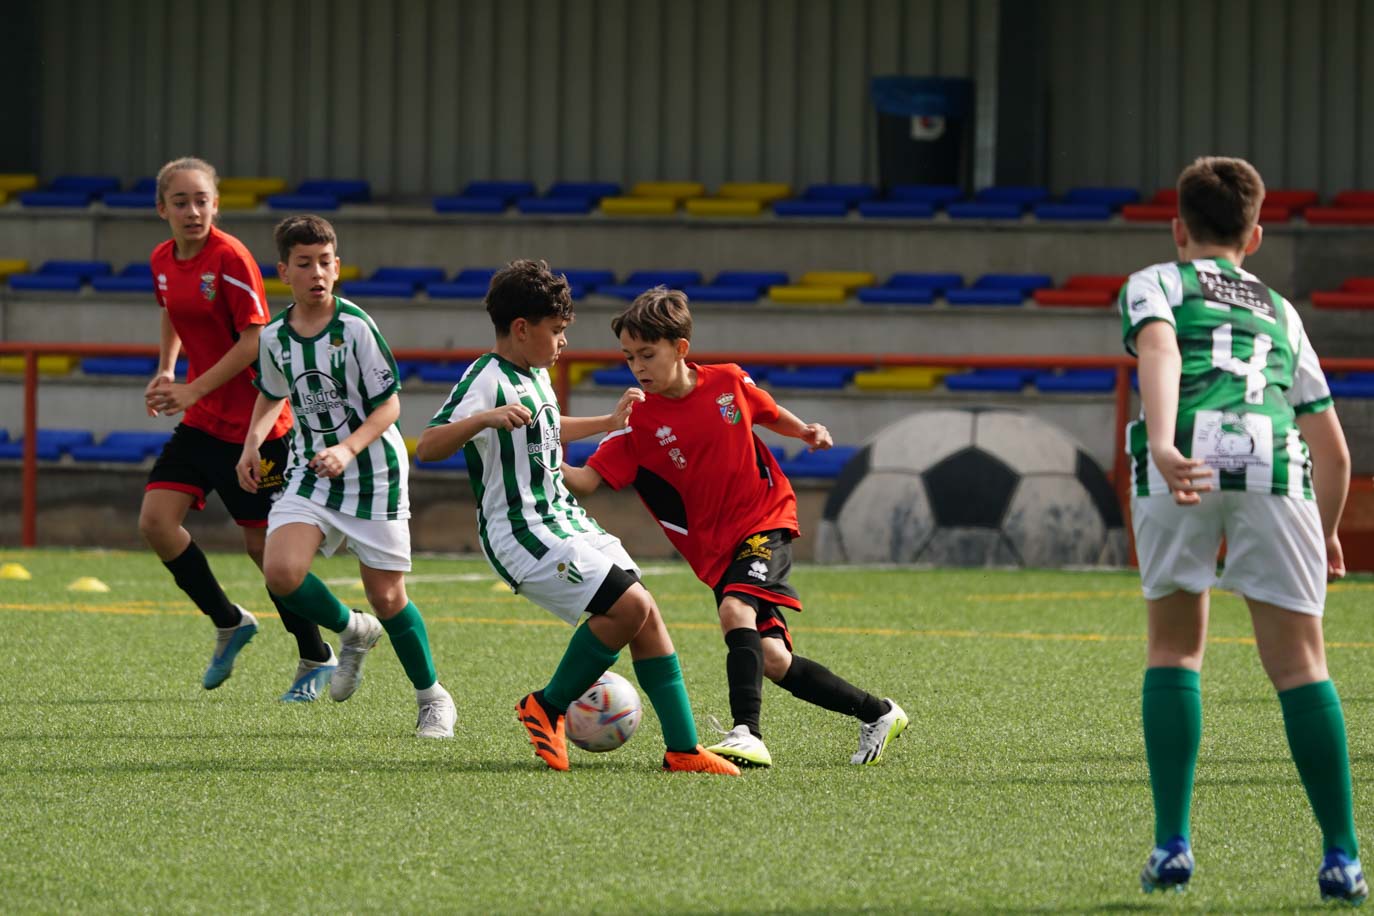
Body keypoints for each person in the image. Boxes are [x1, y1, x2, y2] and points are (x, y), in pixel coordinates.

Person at [1120, 156, 1364, 902]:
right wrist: (1322, 533)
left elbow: (1159, 348)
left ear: (1177, 229)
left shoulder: (1158, 281)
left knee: (1174, 649)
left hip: (1179, 464)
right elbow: (1335, 450)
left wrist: (1163, 442)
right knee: (1299, 667)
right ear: (1254, 236)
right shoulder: (1281, 311)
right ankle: (1342, 857)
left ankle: (1171, 847)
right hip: (1274, 468)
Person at [559, 287, 908, 769]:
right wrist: (542, 461)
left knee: (734, 608)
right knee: (772, 659)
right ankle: (879, 713)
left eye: (647, 354)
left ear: (680, 349)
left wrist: (805, 430)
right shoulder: (636, 423)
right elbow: (589, 481)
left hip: (765, 518)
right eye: (628, 356)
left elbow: (767, 411)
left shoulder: (727, 382)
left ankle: (748, 732)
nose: (637, 366)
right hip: (717, 551)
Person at [416, 259, 738, 775]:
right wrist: (484, 418)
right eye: (558, 331)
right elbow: (429, 445)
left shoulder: (534, 373)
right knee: (628, 605)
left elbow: (548, 425)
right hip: (523, 531)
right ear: (522, 329)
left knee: (646, 612)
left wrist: (607, 423)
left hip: (564, 517)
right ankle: (547, 705)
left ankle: (683, 748)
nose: (564, 341)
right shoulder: (485, 379)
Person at [235, 214, 455, 738]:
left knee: (388, 597)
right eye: (305, 264)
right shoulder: (274, 338)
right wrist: (252, 443)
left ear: (337, 266)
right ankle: (352, 630)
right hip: (310, 472)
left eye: (326, 262)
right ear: (284, 271)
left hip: (373, 472)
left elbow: (391, 407)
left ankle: (433, 699)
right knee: (280, 573)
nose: (317, 272)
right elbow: (271, 392)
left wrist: (348, 448)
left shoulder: (355, 328)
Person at [140, 156, 334, 701]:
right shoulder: (162, 258)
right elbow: (171, 310)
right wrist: (166, 369)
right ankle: (229, 621)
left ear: (216, 205)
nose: (193, 210)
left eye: (202, 200)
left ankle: (315, 652)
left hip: (257, 426)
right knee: (156, 522)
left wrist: (191, 389)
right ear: (162, 210)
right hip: (203, 423)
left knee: (266, 556)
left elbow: (255, 340)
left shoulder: (231, 258)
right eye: (181, 202)